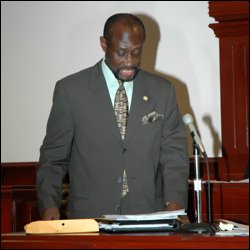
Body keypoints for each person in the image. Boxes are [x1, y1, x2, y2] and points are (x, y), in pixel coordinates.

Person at [36, 13, 190, 223]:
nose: (129, 62)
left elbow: (173, 154)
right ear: (103, 44)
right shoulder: (70, 91)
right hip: (90, 218)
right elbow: (54, 157)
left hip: (150, 216)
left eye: (136, 53)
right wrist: (49, 204)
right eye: (121, 53)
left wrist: (175, 203)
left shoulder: (163, 91)